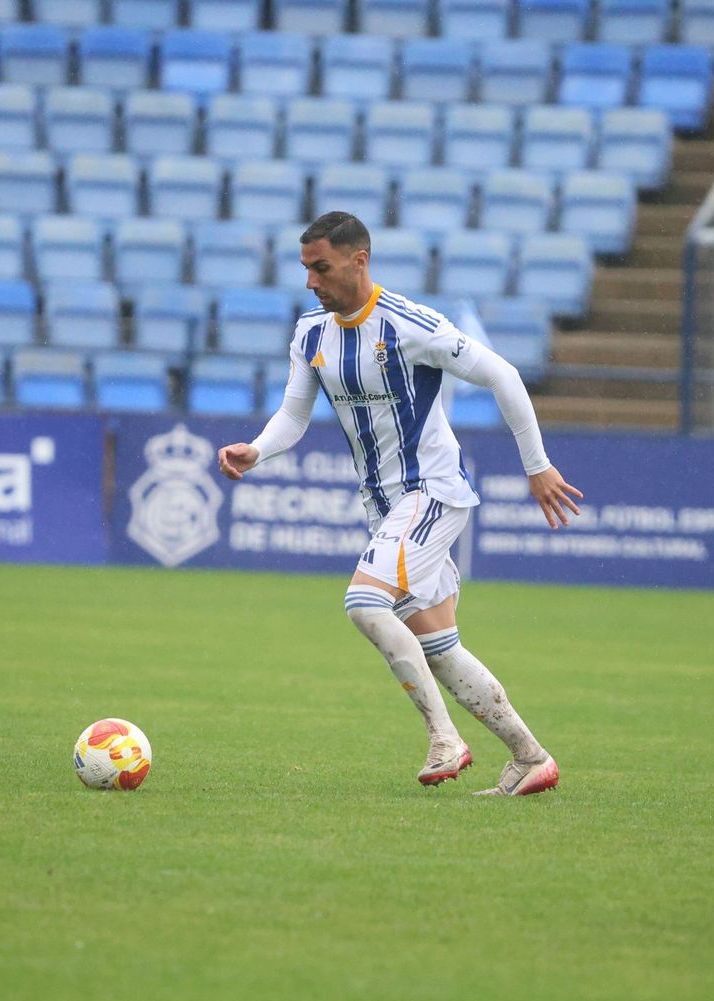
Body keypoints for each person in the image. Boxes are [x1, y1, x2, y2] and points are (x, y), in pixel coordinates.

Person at [217, 211, 583, 796]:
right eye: (306, 268)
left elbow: (504, 375)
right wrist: (256, 450)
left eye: (321, 268)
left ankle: (445, 739)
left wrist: (536, 466)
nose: (311, 281)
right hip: (384, 506)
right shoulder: (311, 333)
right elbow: (293, 414)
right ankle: (530, 758)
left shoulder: (411, 324)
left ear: (358, 261)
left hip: (431, 491)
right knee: (439, 647)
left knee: (364, 603)